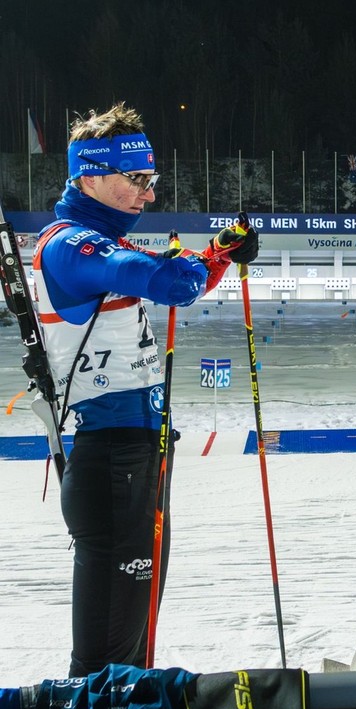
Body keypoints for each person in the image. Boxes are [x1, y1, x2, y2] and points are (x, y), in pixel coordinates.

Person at [34, 102, 259, 676]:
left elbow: (172, 273)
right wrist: (193, 265)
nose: (149, 195)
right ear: (91, 175)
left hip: (135, 454)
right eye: (137, 180)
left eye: (151, 181)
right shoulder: (68, 245)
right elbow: (160, 278)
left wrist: (221, 256)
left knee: (131, 644)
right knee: (106, 662)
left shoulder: (102, 243)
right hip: (110, 458)